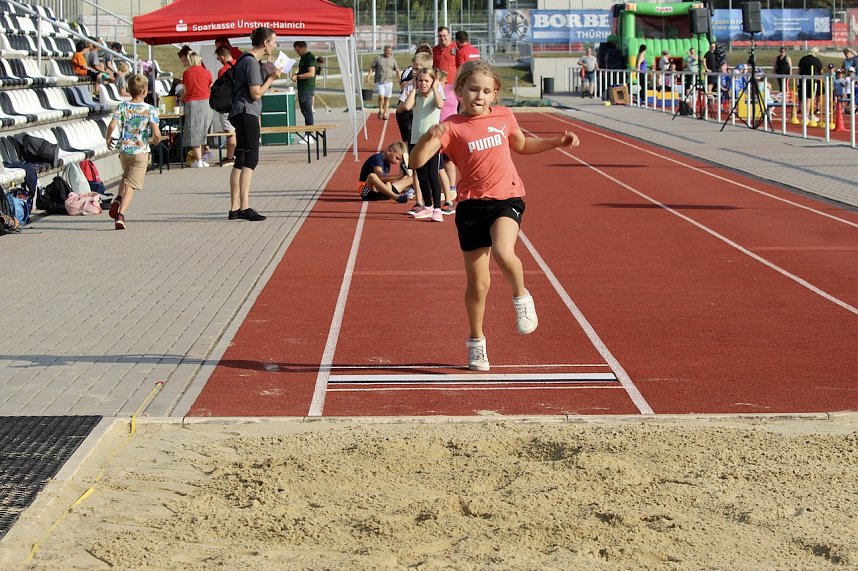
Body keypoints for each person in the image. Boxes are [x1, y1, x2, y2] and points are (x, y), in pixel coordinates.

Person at [409, 61, 580, 371]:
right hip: (471, 206)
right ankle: (476, 342)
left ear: (495, 94)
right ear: (458, 90)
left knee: (504, 250)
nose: (480, 96)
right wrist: (428, 136)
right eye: (473, 89)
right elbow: (416, 160)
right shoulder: (451, 127)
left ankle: (521, 296)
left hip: (506, 198)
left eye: (487, 91)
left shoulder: (503, 116)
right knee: (478, 285)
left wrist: (557, 141)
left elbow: (523, 145)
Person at [228, 26, 281, 221]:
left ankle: (234, 208)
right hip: (246, 112)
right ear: (265, 42)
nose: (275, 45)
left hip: (238, 111)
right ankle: (244, 207)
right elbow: (256, 93)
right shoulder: (250, 62)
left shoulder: (245, 59)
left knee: (240, 159)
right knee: (251, 159)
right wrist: (272, 79)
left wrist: (268, 73)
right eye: (273, 41)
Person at [104, 73, 161, 230]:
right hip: (140, 150)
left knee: (126, 177)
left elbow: (111, 125)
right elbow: (156, 133)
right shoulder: (150, 109)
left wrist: (108, 138)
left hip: (124, 150)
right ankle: (121, 215)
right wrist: (156, 140)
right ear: (144, 91)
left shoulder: (122, 106)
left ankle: (118, 198)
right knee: (131, 185)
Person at [399, 66, 445, 221]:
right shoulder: (416, 96)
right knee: (421, 176)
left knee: (432, 175)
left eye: (426, 80)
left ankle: (438, 209)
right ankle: (428, 206)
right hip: (415, 141)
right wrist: (412, 87)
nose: (423, 83)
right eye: (420, 80)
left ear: (432, 82)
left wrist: (435, 88)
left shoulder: (435, 96)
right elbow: (406, 107)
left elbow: (440, 105)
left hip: (431, 142)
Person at [179, 51, 213, 168]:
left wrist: (180, 99)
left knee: (194, 131)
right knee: (203, 130)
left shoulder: (187, 73)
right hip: (206, 102)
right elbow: (210, 87)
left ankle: (198, 160)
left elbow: (185, 91)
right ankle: (202, 159)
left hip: (192, 103)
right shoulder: (207, 72)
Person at [213, 45, 238, 163]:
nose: (219, 61)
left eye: (218, 58)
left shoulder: (223, 70)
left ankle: (229, 157)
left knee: (230, 132)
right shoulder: (240, 64)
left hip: (228, 105)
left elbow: (220, 91)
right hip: (240, 104)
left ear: (222, 57)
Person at [366, 45, 400, 120]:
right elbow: (372, 68)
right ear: (384, 51)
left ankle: (385, 113)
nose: (388, 52)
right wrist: (368, 76)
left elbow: (397, 70)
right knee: (381, 97)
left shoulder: (393, 60)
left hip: (389, 81)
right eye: (387, 50)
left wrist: (400, 79)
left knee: (387, 98)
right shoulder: (378, 58)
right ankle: (380, 110)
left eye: (390, 51)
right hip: (380, 81)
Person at [291, 41, 316, 128]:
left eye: (298, 51)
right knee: (304, 111)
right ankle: (308, 132)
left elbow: (311, 73)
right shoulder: (303, 58)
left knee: (307, 111)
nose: (297, 53)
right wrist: (297, 73)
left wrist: (297, 76)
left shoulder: (309, 57)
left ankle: (309, 134)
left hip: (307, 89)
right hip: (302, 88)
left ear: (303, 47)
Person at [798, 47, 823, 111]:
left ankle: (801, 110)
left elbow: (799, 70)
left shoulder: (803, 59)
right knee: (809, 99)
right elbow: (821, 71)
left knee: (802, 97)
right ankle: (806, 114)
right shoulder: (817, 60)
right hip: (812, 81)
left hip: (802, 79)